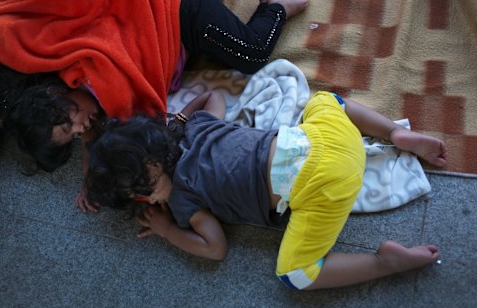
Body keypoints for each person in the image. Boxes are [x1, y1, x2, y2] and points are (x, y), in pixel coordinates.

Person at [84, 90, 447, 290]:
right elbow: (214, 96)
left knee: (297, 275)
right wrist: (179, 119)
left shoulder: (182, 199)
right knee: (326, 101)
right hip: (333, 139)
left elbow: (216, 248)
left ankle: (383, 263)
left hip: (326, 186)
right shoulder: (196, 129)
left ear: (143, 195)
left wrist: (167, 230)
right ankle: (393, 134)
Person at [0, 0, 309, 211]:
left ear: (51, 94)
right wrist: (90, 179)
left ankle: (279, 6)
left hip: (169, 11)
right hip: (173, 36)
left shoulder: (80, 70)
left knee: (252, 53)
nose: (81, 129)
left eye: (68, 122)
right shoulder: (81, 105)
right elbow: (96, 141)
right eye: (71, 136)